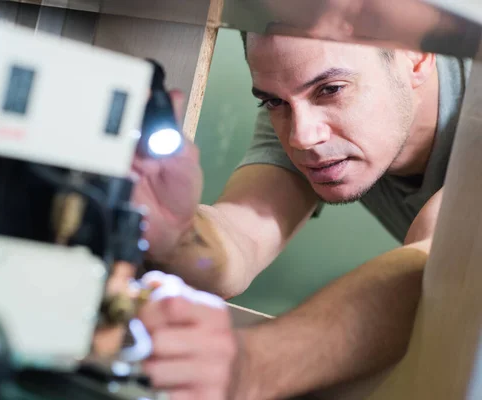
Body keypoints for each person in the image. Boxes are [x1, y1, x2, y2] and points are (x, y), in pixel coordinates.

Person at [131, 31, 471, 400]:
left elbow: (440, 259)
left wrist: (253, 367)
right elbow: (241, 238)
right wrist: (177, 233)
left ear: (416, 58)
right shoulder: (300, 109)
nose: (301, 138)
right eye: (274, 101)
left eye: (331, 90)